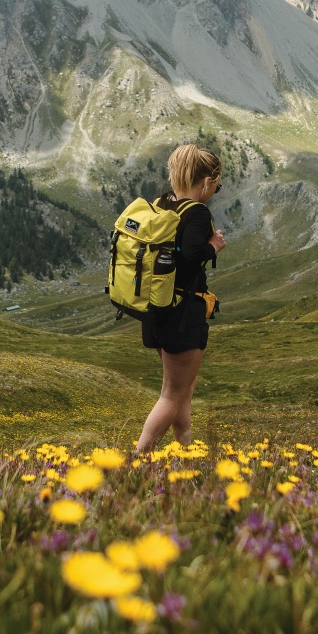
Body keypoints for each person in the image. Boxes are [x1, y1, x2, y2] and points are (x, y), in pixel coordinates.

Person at [135, 144, 226, 453]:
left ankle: (184, 450)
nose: (215, 191)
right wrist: (213, 246)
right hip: (183, 314)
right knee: (172, 394)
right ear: (206, 182)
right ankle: (138, 458)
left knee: (183, 389)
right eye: (216, 185)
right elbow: (188, 258)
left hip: (156, 309)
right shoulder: (198, 213)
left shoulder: (162, 204)